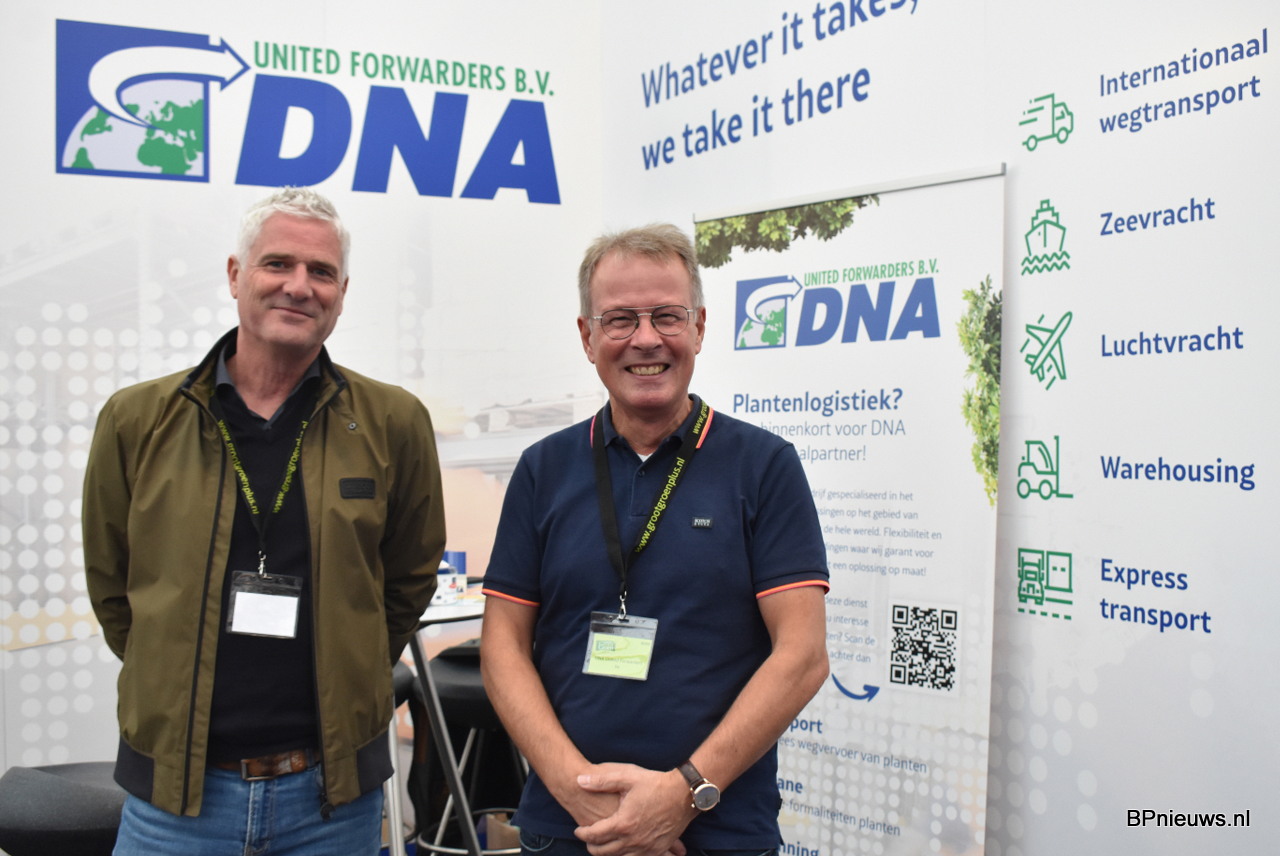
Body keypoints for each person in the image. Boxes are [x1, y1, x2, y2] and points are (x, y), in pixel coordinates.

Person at [83, 187, 446, 854]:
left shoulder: (393, 422)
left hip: (331, 804)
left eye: (322, 272)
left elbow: (409, 577)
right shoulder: (138, 421)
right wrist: (164, 672)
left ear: (341, 292)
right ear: (235, 275)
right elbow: (114, 587)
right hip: (176, 806)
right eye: (277, 263)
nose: (299, 286)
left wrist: (357, 662)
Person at [480, 224, 829, 856]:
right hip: (569, 829)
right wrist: (580, 792)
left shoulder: (763, 466)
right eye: (619, 320)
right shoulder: (542, 470)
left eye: (667, 316)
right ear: (587, 337)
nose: (646, 339)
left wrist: (681, 794)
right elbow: (502, 647)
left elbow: (802, 655)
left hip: (714, 830)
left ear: (699, 327)